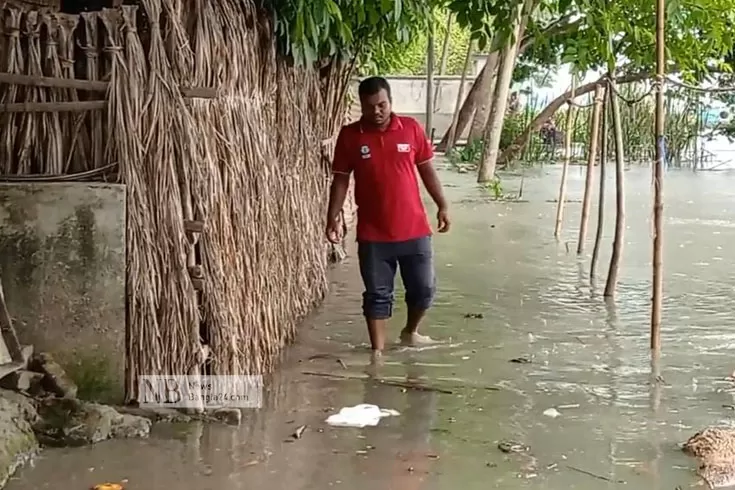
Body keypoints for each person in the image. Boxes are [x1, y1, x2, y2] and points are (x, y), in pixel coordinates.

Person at [325, 76, 450, 360]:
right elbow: (341, 180)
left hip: (415, 229)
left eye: (382, 104)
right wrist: (332, 216)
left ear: (390, 101)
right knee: (377, 295)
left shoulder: (411, 129)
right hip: (373, 234)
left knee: (424, 290)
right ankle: (377, 356)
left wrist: (442, 204)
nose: (377, 111)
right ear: (362, 107)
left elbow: (427, 171)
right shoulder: (350, 136)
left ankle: (410, 332)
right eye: (370, 107)